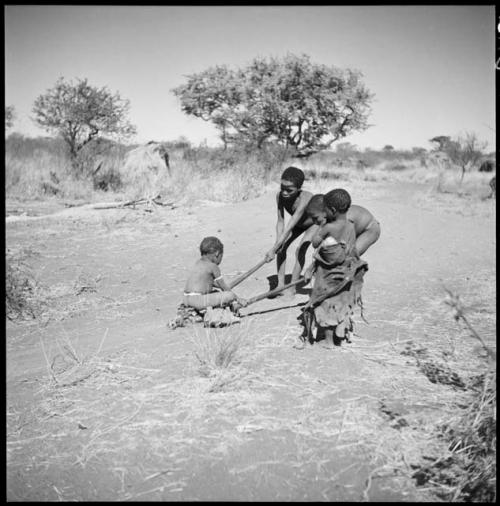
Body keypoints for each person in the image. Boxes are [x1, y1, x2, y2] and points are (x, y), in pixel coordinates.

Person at [302, 190, 368, 346]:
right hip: (345, 272)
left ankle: (327, 341)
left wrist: (321, 229)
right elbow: (351, 248)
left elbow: (315, 243)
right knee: (339, 303)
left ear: (331, 210)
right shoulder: (351, 226)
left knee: (327, 303)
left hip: (330, 274)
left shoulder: (329, 228)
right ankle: (339, 337)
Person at [264, 166, 316, 298]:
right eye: (282, 188)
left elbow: (291, 223)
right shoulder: (279, 196)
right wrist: (277, 242)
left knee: (300, 249)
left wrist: (273, 248)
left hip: (313, 225)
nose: (285, 193)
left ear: (299, 189)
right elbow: (280, 220)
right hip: (297, 225)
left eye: (289, 190)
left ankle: (292, 287)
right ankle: (280, 285)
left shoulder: (306, 198)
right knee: (281, 249)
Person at [183, 236, 247, 311]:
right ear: (217, 253)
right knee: (230, 295)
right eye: (221, 256)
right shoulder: (213, 266)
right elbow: (224, 288)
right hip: (197, 301)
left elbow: (209, 283)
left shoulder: (198, 263)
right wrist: (238, 299)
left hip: (186, 299)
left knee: (216, 292)